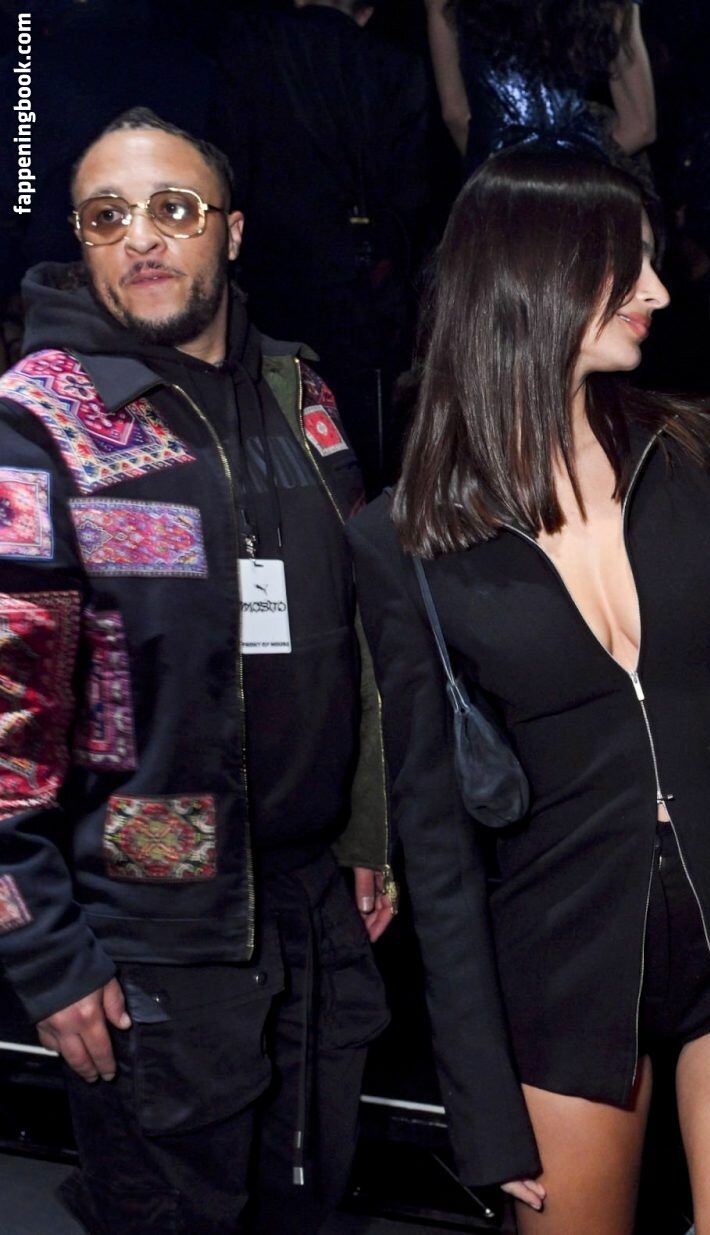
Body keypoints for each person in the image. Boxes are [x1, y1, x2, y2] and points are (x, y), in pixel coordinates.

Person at [347, 149, 710, 1234]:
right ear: (536, 276)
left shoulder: (703, 449)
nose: (657, 288)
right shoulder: (403, 537)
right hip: (563, 961)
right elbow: (435, 842)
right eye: (629, 263)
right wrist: (478, 1097)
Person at [0, 108, 392, 1232]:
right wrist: (43, 949)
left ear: (232, 230)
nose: (141, 237)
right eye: (106, 216)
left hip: (315, 914)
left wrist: (369, 830)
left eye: (172, 208)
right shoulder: (40, 421)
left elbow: (363, 634)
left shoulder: (300, 395)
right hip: (149, 940)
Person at [208, 0, 434, 494]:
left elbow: (229, 168)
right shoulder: (396, 66)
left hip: (271, 274)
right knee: (362, 434)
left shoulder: (246, 53)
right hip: (362, 281)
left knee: (275, 417)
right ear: (368, 10)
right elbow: (412, 194)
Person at [424, 0, 655, 179]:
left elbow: (455, 114)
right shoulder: (610, 5)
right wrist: (571, 170)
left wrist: (498, 173)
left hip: (497, 190)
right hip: (578, 190)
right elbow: (640, 127)